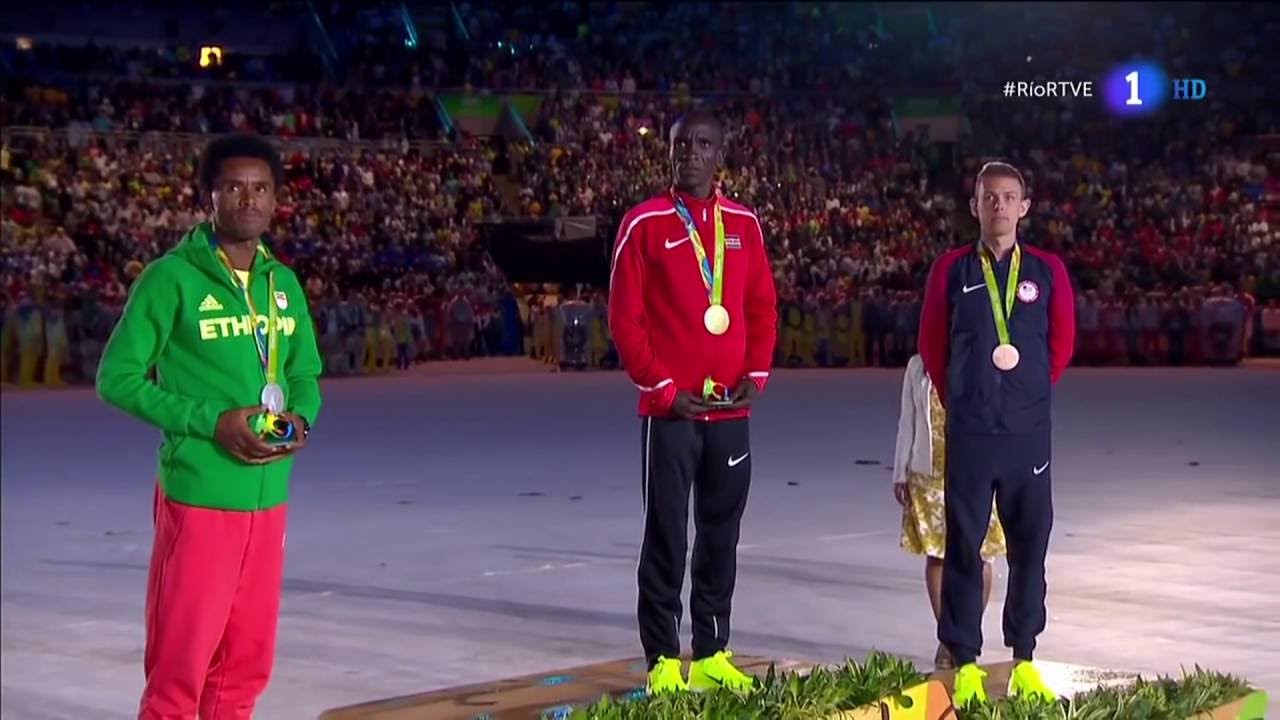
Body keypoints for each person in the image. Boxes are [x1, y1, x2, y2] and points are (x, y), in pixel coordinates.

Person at [97, 133, 324, 720]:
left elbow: (306, 376)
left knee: (244, 671)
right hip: (199, 499)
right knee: (180, 673)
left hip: (269, 501)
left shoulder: (285, 285)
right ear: (210, 197)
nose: (248, 199)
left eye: (261, 188)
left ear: (275, 199)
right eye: (234, 187)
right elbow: (116, 378)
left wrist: (301, 421)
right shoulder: (170, 279)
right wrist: (208, 422)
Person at [608, 108, 779, 695]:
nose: (691, 153)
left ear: (720, 154)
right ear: (671, 152)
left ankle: (711, 650)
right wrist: (661, 388)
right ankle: (661, 658)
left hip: (731, 412)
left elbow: (761, 307)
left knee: (720, 532)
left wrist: (755, 376)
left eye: (703, 144)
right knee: (666, 533)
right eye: (682, 144)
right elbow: (625, 319)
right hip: (670, 413)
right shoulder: (644, 223)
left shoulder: (744, 223)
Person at [918, 161, 1075, 707]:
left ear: (1025, 207)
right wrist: (967, 396)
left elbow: (1061, 346)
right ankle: (963, 658)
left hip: (1028, 433)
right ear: (975, 206)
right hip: (973, 430)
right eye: (990, 198)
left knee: (1029, 547)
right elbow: (933, 346)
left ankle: (1025, 654)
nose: (1000, 207)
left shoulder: (1048, 270)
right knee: (963, 545)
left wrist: (1025, 394)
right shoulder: (951, 269)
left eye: (1010, 198)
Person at [891, 352, 1006, 670]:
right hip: (929, 473)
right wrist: (901, 471)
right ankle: (949, 636)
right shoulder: (919, 365)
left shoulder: (986, 357)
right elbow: (908, 419)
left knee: (981, 554)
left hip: (978, 470)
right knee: (938, 555)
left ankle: (968, 631)